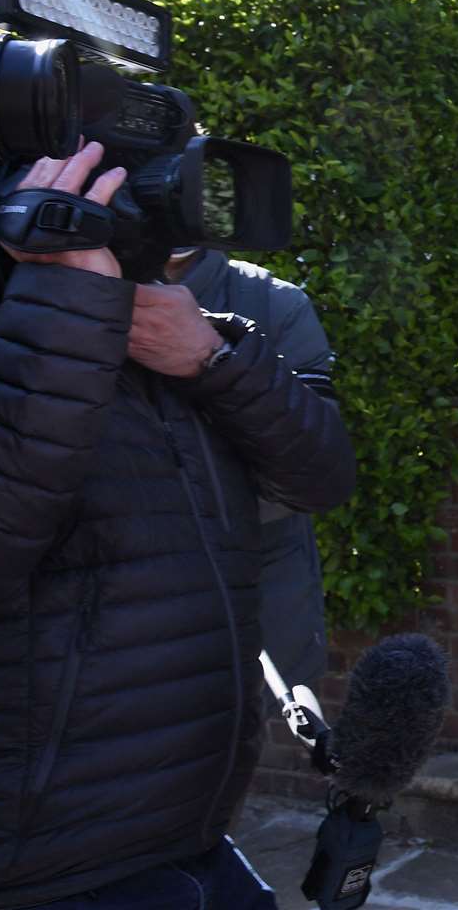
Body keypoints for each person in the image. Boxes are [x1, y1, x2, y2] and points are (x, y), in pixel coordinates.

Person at [0, 142, 355, 909]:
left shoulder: (203, 312)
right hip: (37, 857)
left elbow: (318, 477)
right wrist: (65, 302)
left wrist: (211, 359)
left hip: (183, 832)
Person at [165, 245, 335, 711]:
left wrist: (213, 357)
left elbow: (312, 472)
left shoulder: (275, 303)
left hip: (256, 609)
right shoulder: (56, 292)